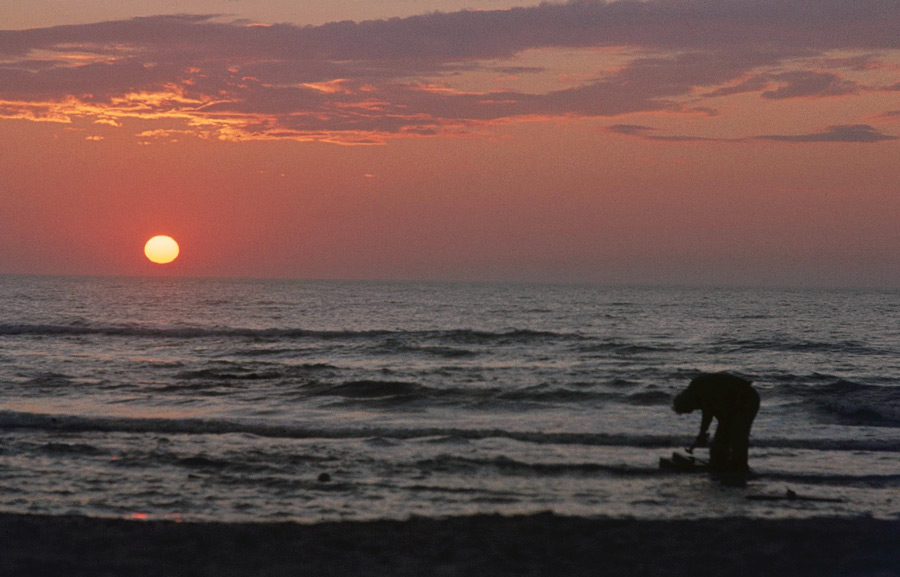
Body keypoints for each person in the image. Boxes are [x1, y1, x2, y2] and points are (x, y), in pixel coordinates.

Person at [672, 372, 760, 473]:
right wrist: (703, 433)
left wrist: (702, 433)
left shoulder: (697, 388)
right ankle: (726, 464)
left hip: (746, 399)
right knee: (723, 440)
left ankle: (739, 467)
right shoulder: (696, 390)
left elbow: (707, 412)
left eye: (690, 409)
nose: (694, 409)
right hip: (733, 401)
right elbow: (712, 410)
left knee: (739, 437)